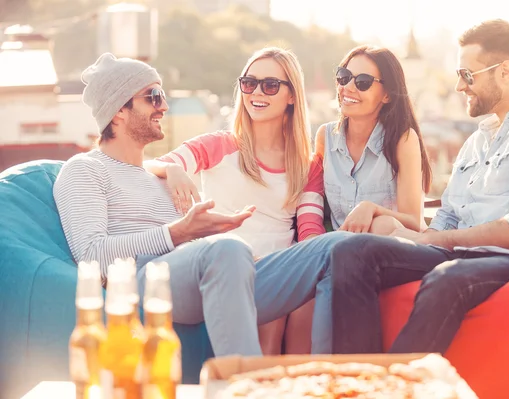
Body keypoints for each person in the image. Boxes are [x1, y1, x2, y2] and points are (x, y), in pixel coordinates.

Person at [327, 19, 509, 355]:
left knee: (447, 278)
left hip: (505, 259)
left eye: (468, 75)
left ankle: (398, 383)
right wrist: (415, 236)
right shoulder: (478, 140)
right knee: (351, 251)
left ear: (505, 71)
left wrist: (441, 239)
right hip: (450, 251)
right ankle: (359, 375)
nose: (458, 87)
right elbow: (447, 216)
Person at [53, 53, 262, 357]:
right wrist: (178, 233)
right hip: (144, 280)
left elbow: (198, 251)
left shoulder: (162, 176)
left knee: (336, 251)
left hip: (200, 273)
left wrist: (222, 244)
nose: (163, 106)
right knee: (228, 248)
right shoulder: (84, 169)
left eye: (161, 95)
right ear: (118, 112)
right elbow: (91, 255)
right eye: (153, 96)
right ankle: (246, 385)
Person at [144, 47, 325, 355]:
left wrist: (299, 271)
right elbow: (145, 166)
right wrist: (172, 168)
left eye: (270, 85)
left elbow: (310, 232)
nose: (257, 92)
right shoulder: (217, 146)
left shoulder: (308, 165)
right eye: (249, 82)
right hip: (225, 267)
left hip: (277, 272)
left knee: (298, 298)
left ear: (292, 96)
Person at [314, 45, 432, 236]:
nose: (348, 88)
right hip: (339, 252)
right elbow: (313, 203)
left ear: (387, 95)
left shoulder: (403, 140)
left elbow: (413, 222)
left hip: (391, 250)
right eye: (344, 77)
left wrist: (372, 209)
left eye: (363, 82)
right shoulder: (325, 138)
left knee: (382, 225)